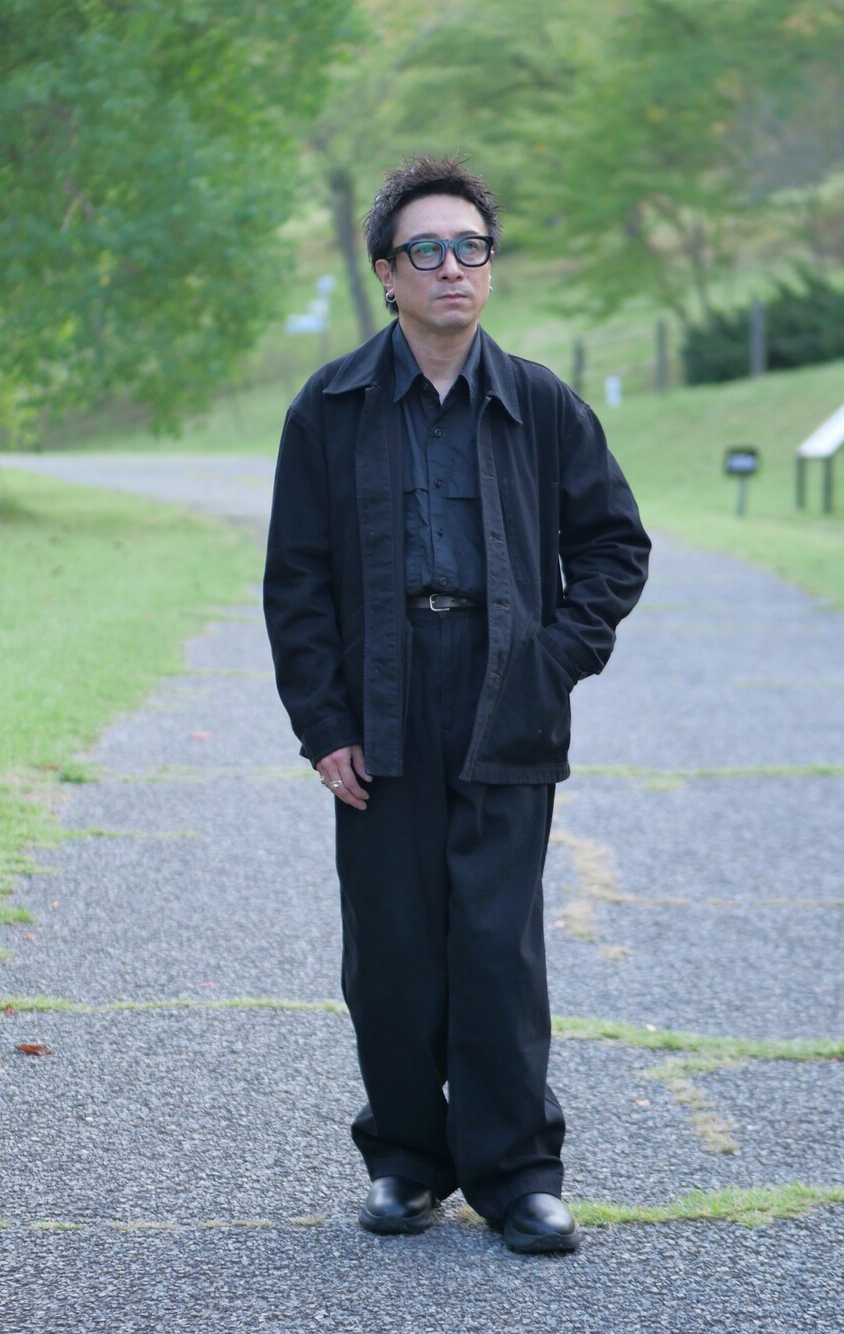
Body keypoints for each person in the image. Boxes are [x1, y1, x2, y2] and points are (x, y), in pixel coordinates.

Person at [263, 155, 650, 1255]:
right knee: (391, 947)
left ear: (489, 266)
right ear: (387, 273)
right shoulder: (330, 407)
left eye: (469, 247)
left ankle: (517, 1175)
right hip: (380, 700)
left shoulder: (540, 403)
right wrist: (324, 725)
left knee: (495, 946)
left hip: (503, 696)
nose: (450, 267)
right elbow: (295, 580)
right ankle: (405, 1161)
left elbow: (614, 546)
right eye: (425, 250)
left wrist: (552, 658)